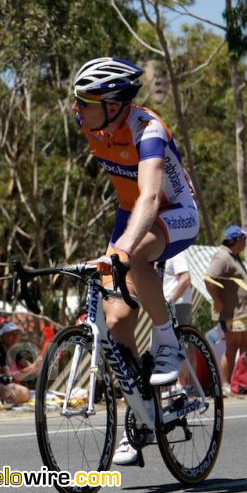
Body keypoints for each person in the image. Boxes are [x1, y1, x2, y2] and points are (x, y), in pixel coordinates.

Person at [72, 57, 199, 466]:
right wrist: (119, 248)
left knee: (137, 253)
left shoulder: (149, 130)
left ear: (113, 103)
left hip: (173, 211)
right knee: (116, 321)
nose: (77, 109)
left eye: (85, 101)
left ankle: (167, 342)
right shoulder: (90, 124)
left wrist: (123, 249)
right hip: (130, 217)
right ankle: (142, 416)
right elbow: (129, 205)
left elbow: (148, 196)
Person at [205, 225, 247, 397]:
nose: (246, 241)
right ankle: (225, 385)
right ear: (237, 240)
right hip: (233, 312)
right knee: (232, 347)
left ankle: (243, 383)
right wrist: (217, 300)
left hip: (245, 310)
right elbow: (209, 279)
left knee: (246, 347)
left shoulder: (234, 256)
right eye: (244, 238)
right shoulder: (222, 256)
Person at [163, 251, 193, 326]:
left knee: (177, 336)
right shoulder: (169, 255)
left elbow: (185, 279)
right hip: (175, 305)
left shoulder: (176, 254)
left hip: (177, 305)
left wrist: (170, 302)